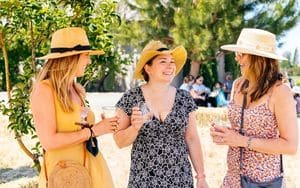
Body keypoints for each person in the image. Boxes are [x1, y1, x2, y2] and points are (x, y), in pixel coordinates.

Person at [30, 27, 117, 188]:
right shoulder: (45, 89)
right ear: (71, 58)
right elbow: (48, 141)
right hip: (64, 174)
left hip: (90, 168)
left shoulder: (77, 89)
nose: (89, 61)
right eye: (86, 56)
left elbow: (78, 129)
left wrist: (101, 126)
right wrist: (93, 131)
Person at [114, 40, 208, 188]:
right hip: (143, 180)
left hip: (180, 179)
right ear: (148, 68)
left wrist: (201, 176)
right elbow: (119, 141)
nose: (170, 66)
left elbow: (192, 138)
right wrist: (134, 128)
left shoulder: (184, 97)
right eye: (163, 61)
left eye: (172, 62)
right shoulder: (131, 97)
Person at [210, 28, 298, 187]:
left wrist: (241, 140)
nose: (237, 58)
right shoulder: (238, 84)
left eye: (242, 54)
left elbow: (290, 146)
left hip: (264, 183)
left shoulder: (280, 91)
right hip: (232, 180)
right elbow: (243, 128)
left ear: (259, 59)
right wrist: (226, 133)